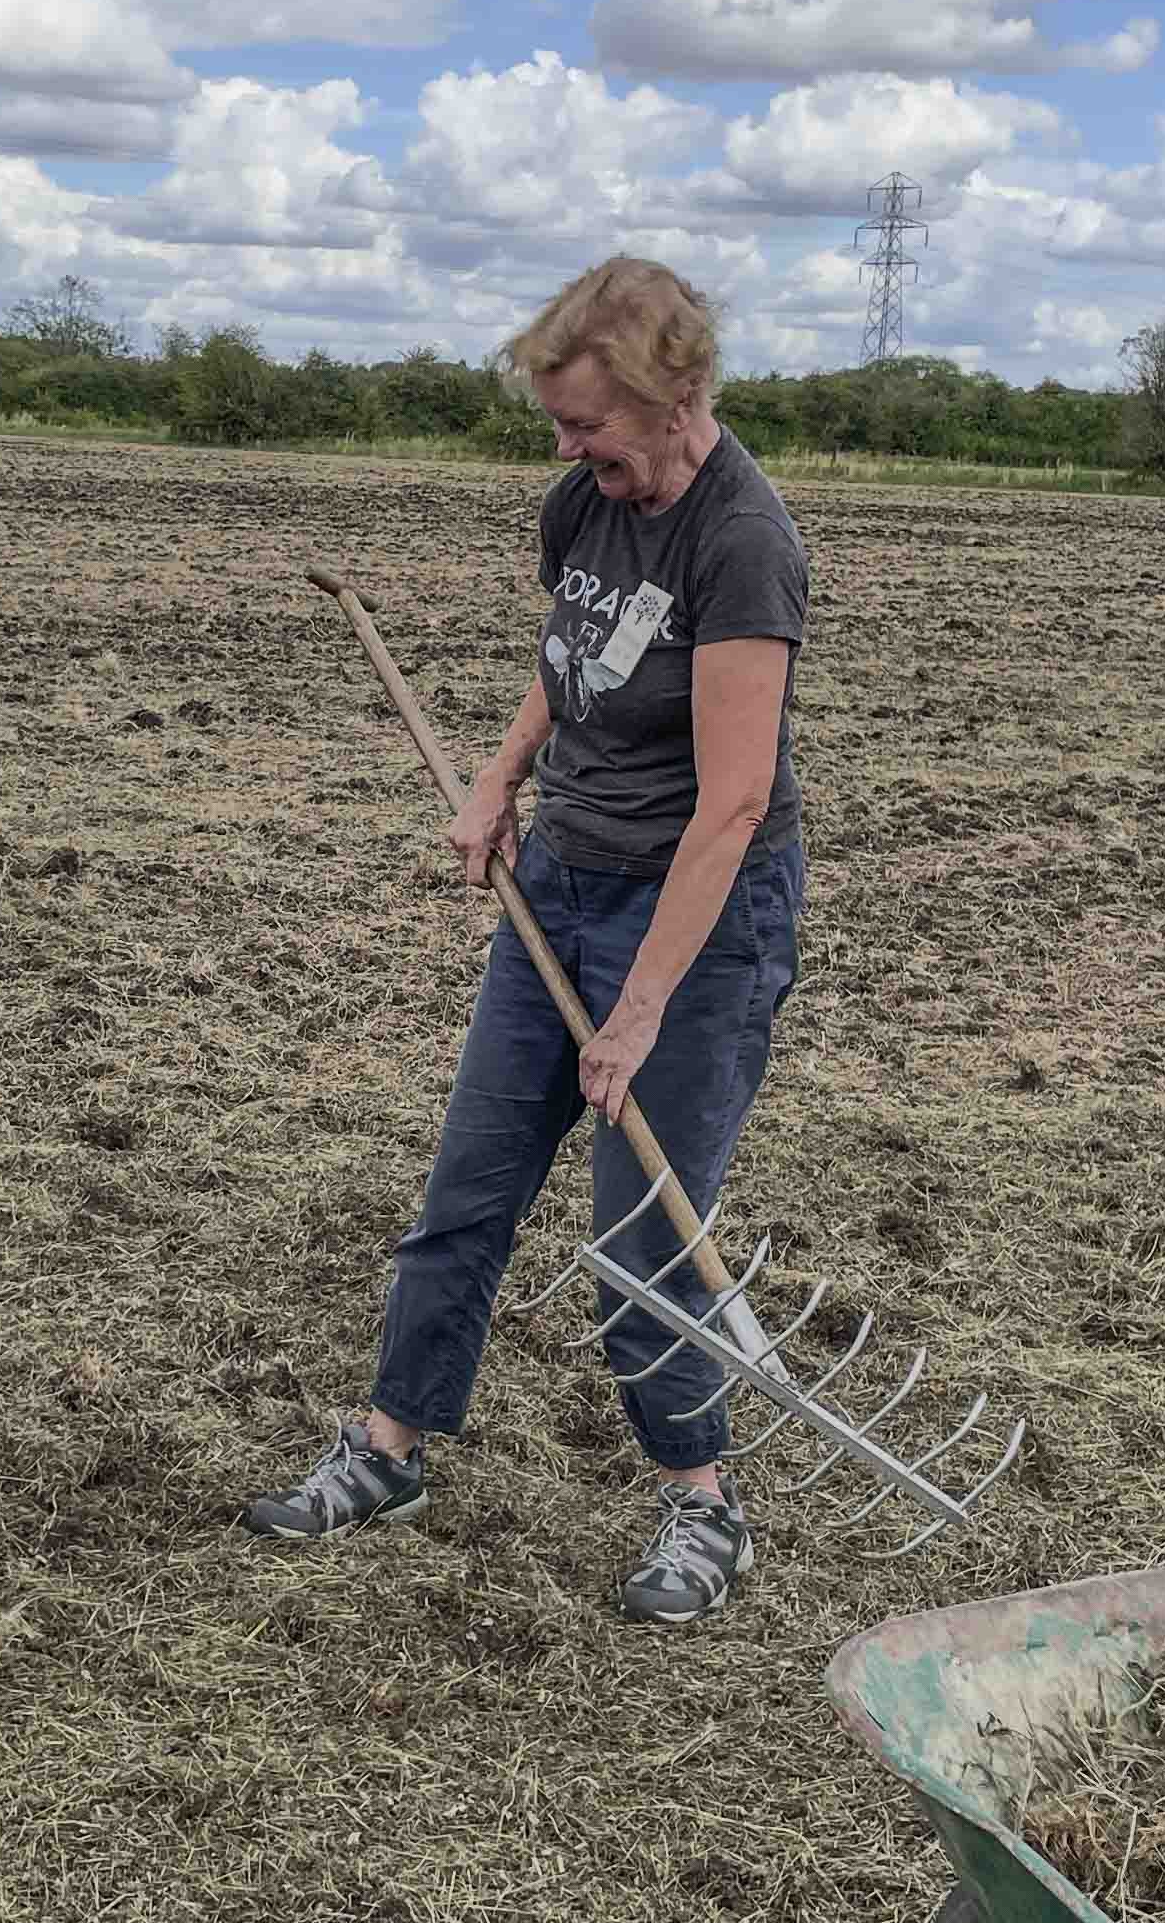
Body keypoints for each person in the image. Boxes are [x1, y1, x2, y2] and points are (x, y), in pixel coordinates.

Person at [243, 256, 809, 1623]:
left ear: (676, 395)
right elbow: (573, 662)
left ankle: (703, 1504)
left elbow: (733, 804)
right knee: (469, 1190)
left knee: (642, 1240)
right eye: (556, 425)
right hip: (558, 880)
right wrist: (501, 778)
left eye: (586, 425)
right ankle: (387, 1449)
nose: (565, 453)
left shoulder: (742, 541)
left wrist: (641, 1008)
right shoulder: (584, 505)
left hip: (697, 919)